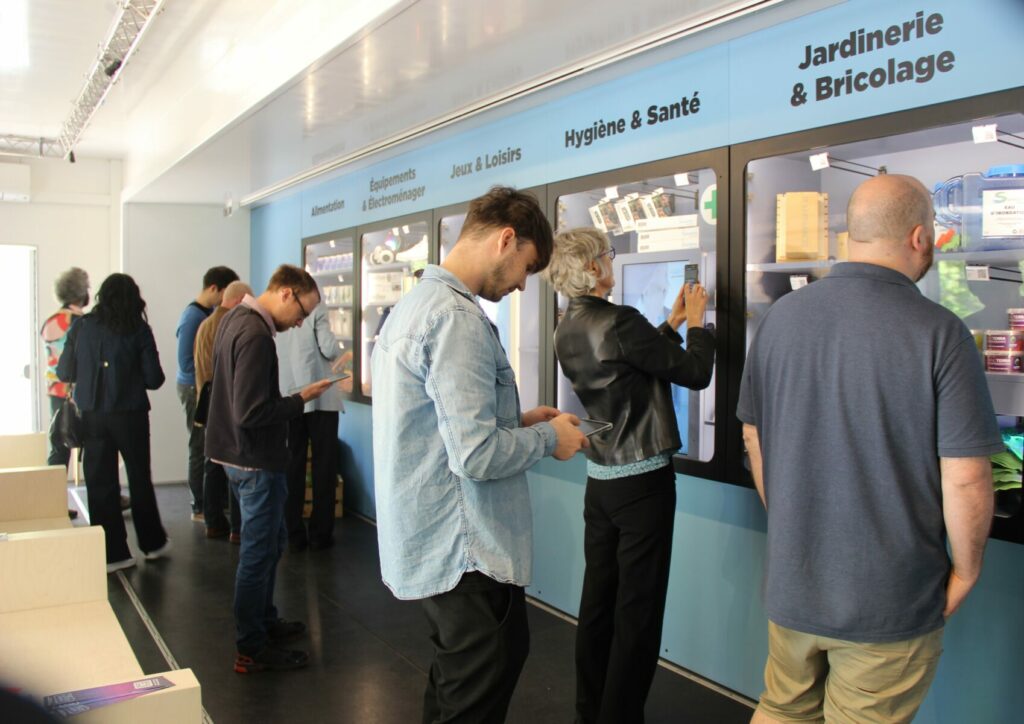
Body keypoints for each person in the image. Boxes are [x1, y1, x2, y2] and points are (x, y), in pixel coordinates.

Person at [737, 174, 1000, 723]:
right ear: (920, 237)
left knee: (782, 708)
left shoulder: (780, 318)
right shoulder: (940, 332)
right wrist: (967, 571)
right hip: (888, 598)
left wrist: (792, 522)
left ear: (850, 235)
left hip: (793, 583)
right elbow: (966, 475)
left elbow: (753, 437)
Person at [371, 186, 589, 723]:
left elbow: (440, 425)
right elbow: (475, 455)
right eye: (527, 267)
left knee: (457, 684)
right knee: (475, 692)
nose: (521, 284)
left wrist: (520, 421)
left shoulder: (416, 305)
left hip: (436, 543)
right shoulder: (456, 319)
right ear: (506, 240)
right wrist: (548, 440)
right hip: (466, 551)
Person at [544, 227, 715, 724]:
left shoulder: (566, 327)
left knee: (598, 604)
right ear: (593, 266)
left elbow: (629, 365)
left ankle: (590, 712)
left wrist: (671, 322)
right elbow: (695, 372)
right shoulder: (620, 320)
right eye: (608, 254)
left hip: (601, 482)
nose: (611, 261)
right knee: (638, 613)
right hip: (644, 486)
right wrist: (698, 325)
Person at [205, 265, 334, 674]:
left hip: (237, 454)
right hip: (254, 460)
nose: (300, 323)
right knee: (259, 554)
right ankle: (252, 645)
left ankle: (263, 622)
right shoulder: (256, 334)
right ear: (286, 293)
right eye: (301, 312)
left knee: (270, 544)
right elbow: (251, 411)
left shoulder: (234, 320)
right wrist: (300, 400)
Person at [56, 273, 169, 573]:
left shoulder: (81, 326)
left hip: (92, 416)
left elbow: (64, 372)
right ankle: (152, 543)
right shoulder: (139, 329)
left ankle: (113, 554)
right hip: (130, 415)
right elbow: (154, 379)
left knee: (99, 483)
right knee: (139, 479)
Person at [276, 302, 350, 552]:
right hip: (321, 398)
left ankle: (293, 533)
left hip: (289, 397)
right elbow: (330, 349)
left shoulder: (279, 310)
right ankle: (320, 534)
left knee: (292, 466)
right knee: (324, 467)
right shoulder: (317, 308)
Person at [177, 265, 239, 520]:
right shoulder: (193, 317)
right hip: (195, 389)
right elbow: (185, 362)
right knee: (199, 446)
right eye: (225, 293)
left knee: (209, 446)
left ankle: (212, 502)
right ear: (214, 288)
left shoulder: (208, 314)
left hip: (205, 387)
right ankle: (200, 504)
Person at [194, 280, 252, 541]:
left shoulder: (207, 323)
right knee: (232, 462)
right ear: (240, 300)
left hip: (208, 402)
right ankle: (237, 528)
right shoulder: (232, 324)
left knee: (212, 463)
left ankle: (213, 520)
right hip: (225, 404)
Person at [41, 267, 90, 468]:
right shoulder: (82, 323)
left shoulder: (50, 321)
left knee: (58, 445)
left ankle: (52, 487)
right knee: (92, 443)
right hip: (79, 391)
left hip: (56, 390)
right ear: (81, 293)